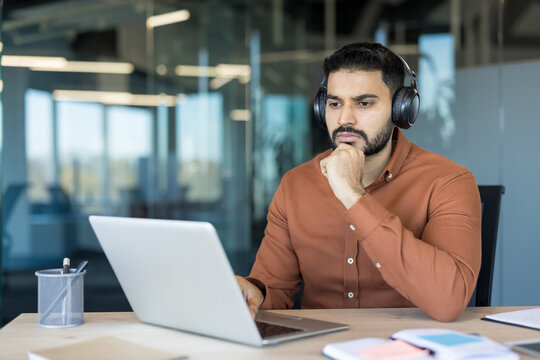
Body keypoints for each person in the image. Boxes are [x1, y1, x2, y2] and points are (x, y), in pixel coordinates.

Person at [236, 42, 481, 322]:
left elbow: (448, 300)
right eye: (334, 103)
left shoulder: (449, 181)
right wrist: (255, 293)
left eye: (364, 103)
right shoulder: (295, 184)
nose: (344, 119)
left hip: (410, 347)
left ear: (401, 109)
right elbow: (275, 288)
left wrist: (353, 196)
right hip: (320, 347)